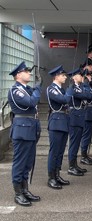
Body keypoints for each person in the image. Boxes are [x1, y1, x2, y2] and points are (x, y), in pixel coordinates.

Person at [8, 61, 42, 206]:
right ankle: (18, 193)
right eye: (26, 71)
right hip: (22, 129)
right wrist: (38, 88)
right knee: (20, 162)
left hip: (29, 128)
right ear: (18, 75)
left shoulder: (25, 88)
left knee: (28, 162)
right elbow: (31, 101)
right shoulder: (16, 90)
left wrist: (35, 88)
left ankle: (25, 189)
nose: (29, 73)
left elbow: (31, 96)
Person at [67, 68, 92, 176]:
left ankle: (74, 165)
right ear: (74, 77)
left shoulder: (79, 87)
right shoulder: (73, 89)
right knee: (74, 143)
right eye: (80, 75)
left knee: (76, 143)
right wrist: (89, 86)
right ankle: (72, 166)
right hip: (75, 117)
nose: (82, 76)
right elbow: (91, 96)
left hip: (80, 117)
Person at [46, 65, 73, 189]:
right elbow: (64, 100)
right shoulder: (51, 89)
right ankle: (51, 177)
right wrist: (70, 89)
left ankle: (57, 175)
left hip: (63, 121)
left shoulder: (61, 89)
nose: (65, 77)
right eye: (63, 75)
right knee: (54, 151)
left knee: (61, 151)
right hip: (56, 122)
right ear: (56, 76)